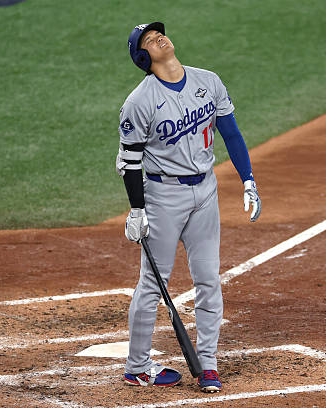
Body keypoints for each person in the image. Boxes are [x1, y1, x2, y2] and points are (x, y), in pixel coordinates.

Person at [115, 22, 261, 392]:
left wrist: (248, 179)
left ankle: (208, 363)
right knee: (153, 282)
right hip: (164, 197)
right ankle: (137, 366)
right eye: (149, 40)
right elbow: (130, 161)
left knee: (209, 278)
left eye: (158, 33)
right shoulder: (139, 102)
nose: (159, 38)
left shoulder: (207, 81)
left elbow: (231, 132)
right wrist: (137, 210)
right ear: (144, 57)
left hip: (206, 192)